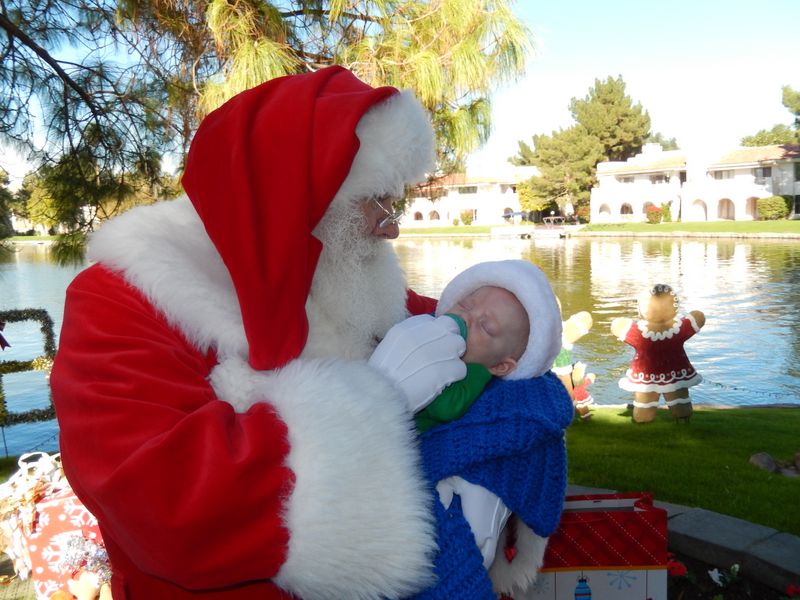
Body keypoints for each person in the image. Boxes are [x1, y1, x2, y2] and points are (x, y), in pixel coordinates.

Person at [50, 66, 470, 600]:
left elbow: (468, 324)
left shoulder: (335, 272)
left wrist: (518, 330)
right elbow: (167, 509)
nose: (391, 225)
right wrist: (374, 400)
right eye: (375, 200)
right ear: (302, 194)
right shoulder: (123, 298)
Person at [395, 260, 568, 577]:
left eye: (486, 328)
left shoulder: (473, 372)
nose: (467, 319)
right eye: (465, 304)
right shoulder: (421, 336)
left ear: (501, 366)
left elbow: (449, 408)